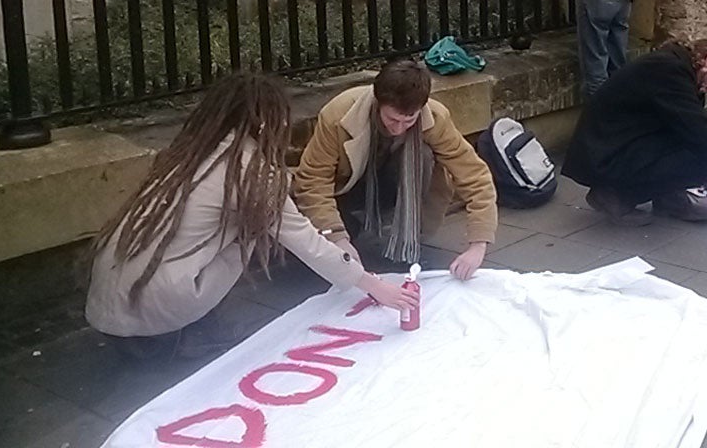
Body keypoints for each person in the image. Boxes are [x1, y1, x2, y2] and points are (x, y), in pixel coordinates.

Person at [85, 73, 417, 359]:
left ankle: (181, 325)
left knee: (240, 223)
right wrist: (371, 283)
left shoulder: (187, 152)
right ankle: (194, 331)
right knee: (254, 229)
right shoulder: (251, 172)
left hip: (106, 311)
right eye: (280, 117)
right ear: (263, 122)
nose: (286, 125)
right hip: (156, 316)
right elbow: (306, 241)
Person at [292, 59, 497, 280]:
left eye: (408, 121)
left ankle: (402, 242)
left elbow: (474, 176)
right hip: (345, 188)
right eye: (392, 119)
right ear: (378, 102)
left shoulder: (436, 118)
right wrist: (337, 238)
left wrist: (478, 245)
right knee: (315, 258)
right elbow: (313, 180)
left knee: (425, 156)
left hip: (394, 183)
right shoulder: (337, 115)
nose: (399, 129)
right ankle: (352, 228)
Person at [561, 40, 707, 225]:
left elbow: (685, 129)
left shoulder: (679, 71)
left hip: (619, 142)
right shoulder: (670, 71)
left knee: (704, 155)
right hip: (605, 151)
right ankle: (615, 195)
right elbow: (699, 130)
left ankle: (669, 198)